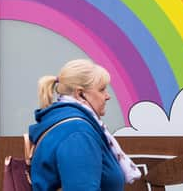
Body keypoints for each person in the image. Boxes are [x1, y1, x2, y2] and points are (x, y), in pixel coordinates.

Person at [28, 59, 141, 191]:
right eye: (102, 90)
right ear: (80, 94)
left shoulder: (67, 124)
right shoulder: (77, 133)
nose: (107, 96)